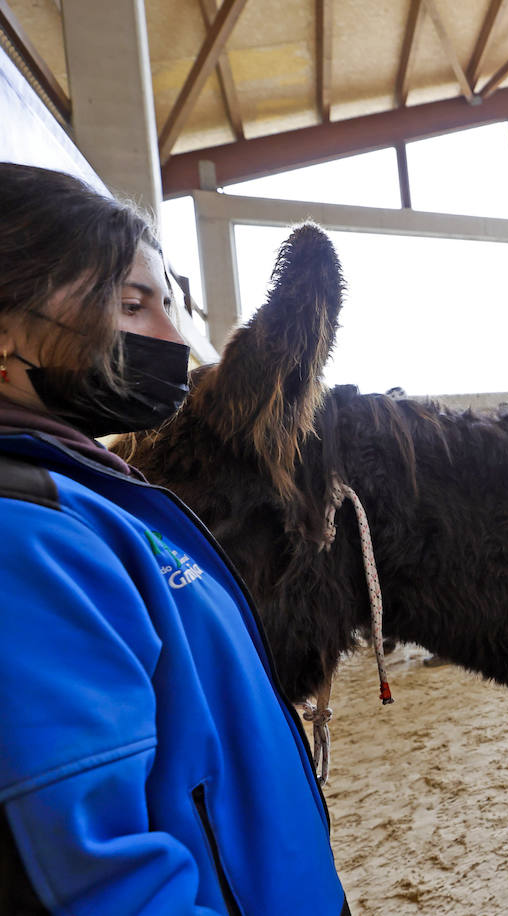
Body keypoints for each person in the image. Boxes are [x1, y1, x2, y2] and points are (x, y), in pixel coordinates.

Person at [0, 163, 348, 914]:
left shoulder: (93, 497)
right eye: (132, 305)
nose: (175, 339)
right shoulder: (21, 541)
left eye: (172, 304)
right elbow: (96, 880)